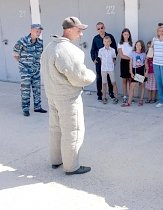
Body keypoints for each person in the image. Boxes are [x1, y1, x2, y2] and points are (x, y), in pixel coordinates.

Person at [40, 17, 96, 175]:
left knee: (55, 129)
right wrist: (92, 75)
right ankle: (72, 167)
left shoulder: (49, 47)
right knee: (73, 131)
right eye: (79, 30)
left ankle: (56, 160)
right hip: (68, 99)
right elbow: (79, 77)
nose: (81, 34)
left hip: (52, 96)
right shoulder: (69, 51)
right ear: (69, 30)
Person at [13, 24, 47, 117]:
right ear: (31, 30)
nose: (39, 33)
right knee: (25, 90)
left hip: (36, 70)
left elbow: (41, 55)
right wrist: (23, 64)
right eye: (37, 31)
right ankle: (25, 109)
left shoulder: (40, 42)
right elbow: (15, 54)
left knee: (37, 89)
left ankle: (37, 107)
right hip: (25, 70)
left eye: (40, 32)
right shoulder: (22, 41)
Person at [90, 22, 117, 101]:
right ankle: (100, 94)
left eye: (102, 27)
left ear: (104, 27)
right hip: (99, 62)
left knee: (110, 79)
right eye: (98, 29)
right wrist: (94, 59)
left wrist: (114, 59)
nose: (100, 30)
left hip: (109, 62)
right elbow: (93, 50)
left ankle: (111, 93)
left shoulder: (110, 36)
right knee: (99, 78)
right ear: (97, 30)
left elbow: (114, 48)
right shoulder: (95, 38)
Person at [121, 40, 147, 107]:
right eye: (137, 45)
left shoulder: (144, 54)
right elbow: (130, 63)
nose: (138, 46)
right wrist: (131, 72)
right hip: (135, 71)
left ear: (142, 47)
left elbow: (146, 64)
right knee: (132, 86)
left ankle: (141, 100)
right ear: (135, 45)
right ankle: (129, 102)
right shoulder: (132, 53)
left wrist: (146, 72)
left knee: (142, 86)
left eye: (140, 45)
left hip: (141, 70)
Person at [98, 36, 119, 104]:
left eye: (108, 41)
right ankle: (104, 97)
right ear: (103, 42)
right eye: (105, 41)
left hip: (110, 69)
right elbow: (101, 60)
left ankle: (116, 97)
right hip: (103, 69)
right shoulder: (101, 50)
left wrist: (112, 65)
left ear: (110, 42)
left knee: (113, 83)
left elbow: (113, 59)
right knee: (104, 83)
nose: (107, 43)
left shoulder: (112, 50)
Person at [118, 28, 133, 103]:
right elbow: (121, 55)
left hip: (131, 63)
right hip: (124, 62)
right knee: (124, 80)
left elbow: (134, 53)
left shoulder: (132, 44)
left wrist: (131, 59)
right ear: (122, 35)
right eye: (125, 34)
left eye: (127, 34)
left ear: (129, 35)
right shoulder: (120, 44)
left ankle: (130, 96)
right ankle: (124, 96)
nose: (126, 36)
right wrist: (129, 58)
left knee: (130, 80)